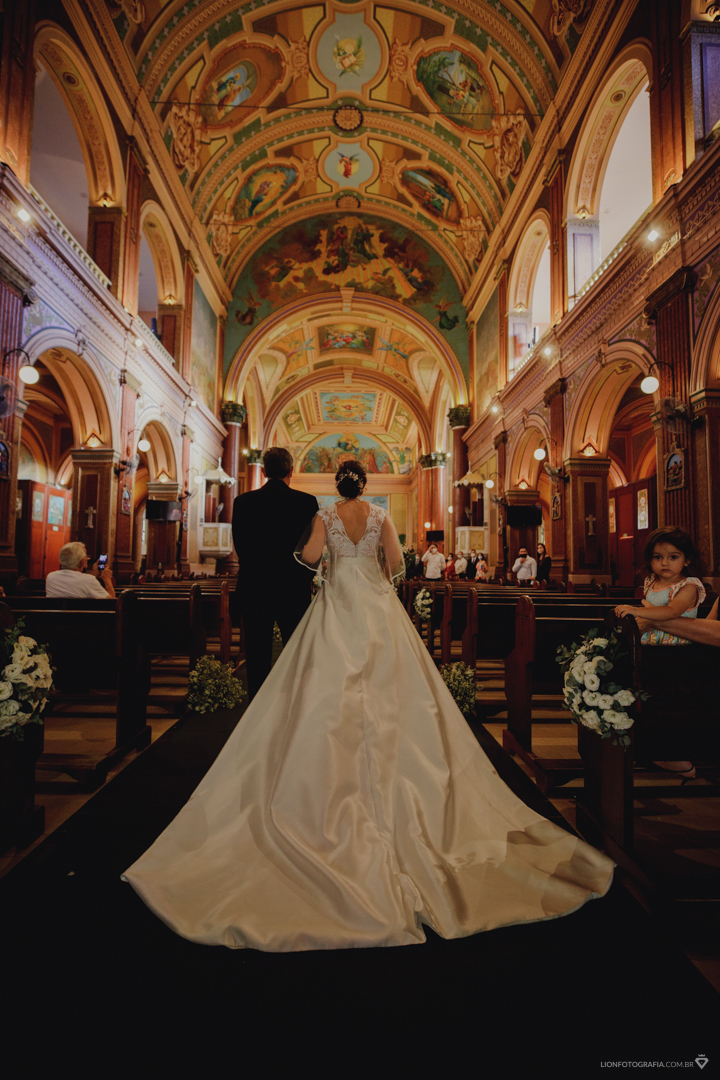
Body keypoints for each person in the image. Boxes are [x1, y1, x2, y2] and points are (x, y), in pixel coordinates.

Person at [122, 458, 613, 951]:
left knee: (324, 686)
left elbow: (310, 560)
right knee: (395, 687)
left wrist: (327, 565)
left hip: (337, 601)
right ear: (367, 485)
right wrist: (375, 572)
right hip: (376, 602)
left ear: (337, 486)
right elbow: (397, 565)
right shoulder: (380, 517)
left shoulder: (325, 516)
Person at [614, 527, 706, 778]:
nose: (665, 563)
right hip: (648, 650)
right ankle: (643, 749)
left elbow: (671, 612)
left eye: (673, 557)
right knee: (641, 703)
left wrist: (637, 610)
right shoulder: (651, 583)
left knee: (667, 706)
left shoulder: (689, 586)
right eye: (658, 557)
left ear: (687, 560)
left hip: (675, 655)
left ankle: (677, 758)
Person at [231, 447, 318, 699]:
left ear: (263, 471)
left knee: (257, 655)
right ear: (292, 470)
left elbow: (242, 548)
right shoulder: (306, 502)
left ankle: (257, 709)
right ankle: (293, 703)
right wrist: (303, 581)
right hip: (293, 590)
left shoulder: (243, 502)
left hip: (255, 587)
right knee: (294, 651)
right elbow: (310, 551)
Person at [46, 542, 115, 599]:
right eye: (86, 556)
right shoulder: (88, 580)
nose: (87, 558)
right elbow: (110, 602)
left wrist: (94, 573)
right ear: (82, 562)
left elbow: (81, 583)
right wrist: (107, 580)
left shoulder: (51, 577)